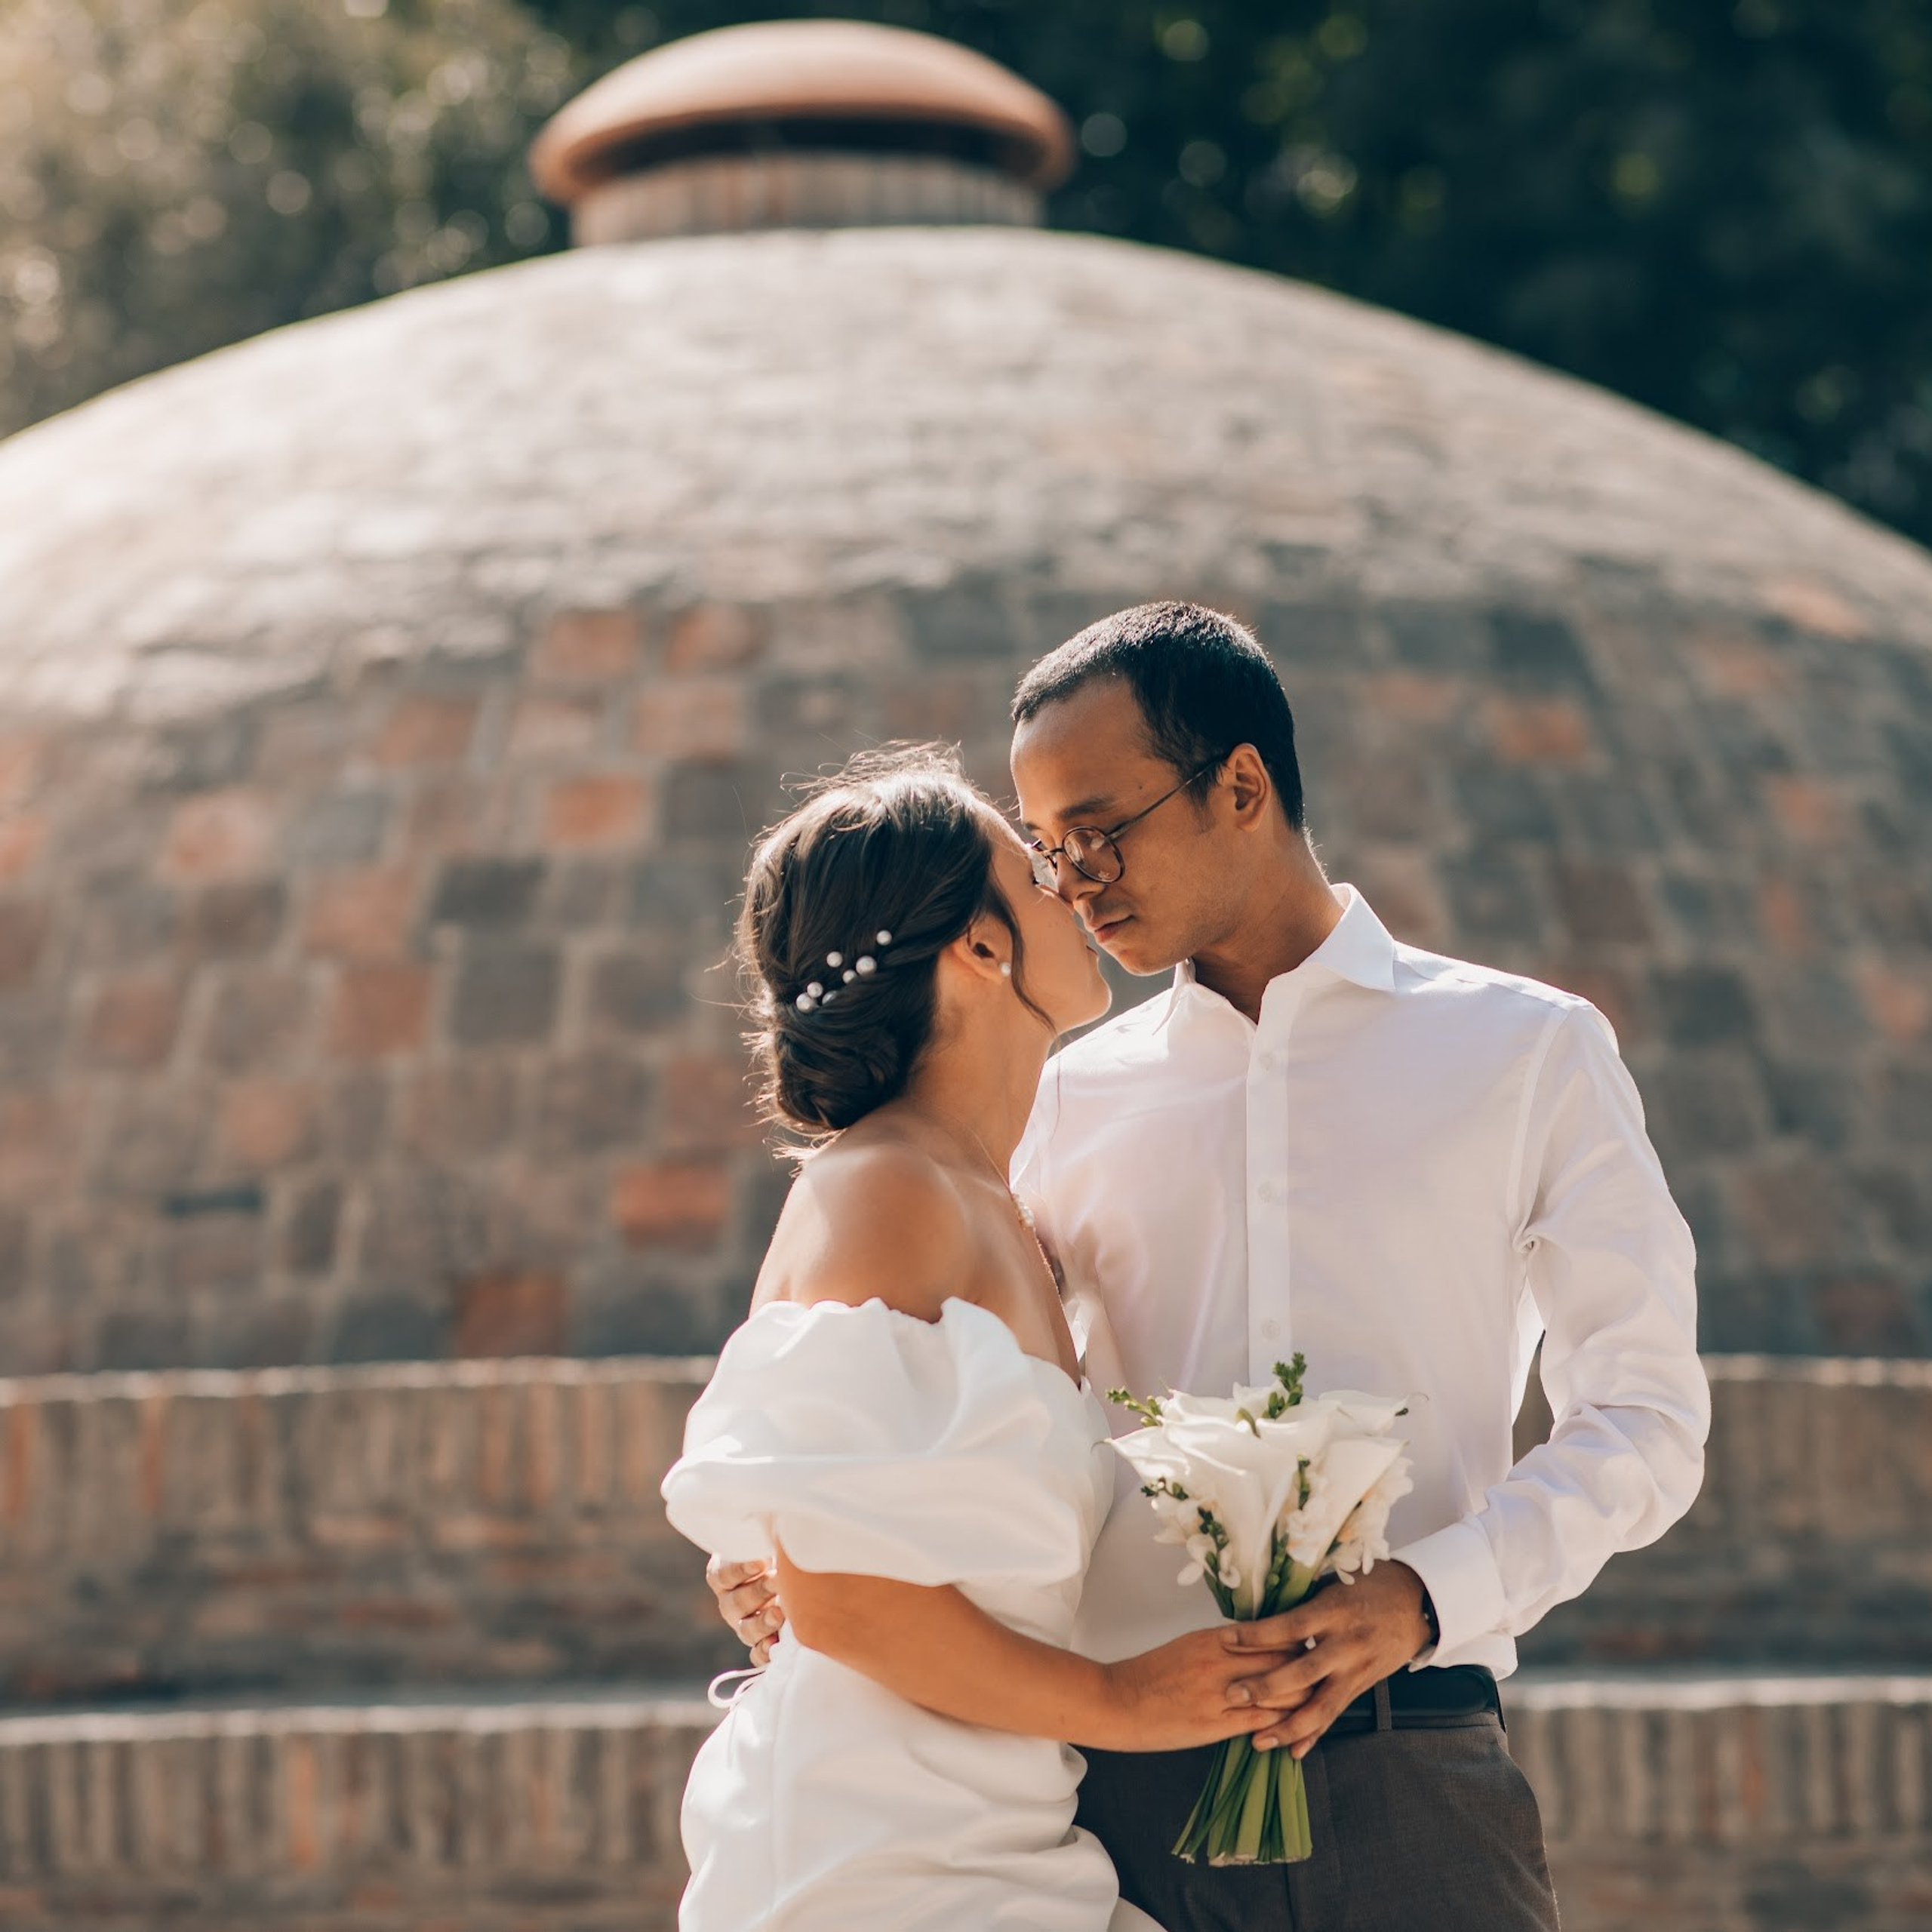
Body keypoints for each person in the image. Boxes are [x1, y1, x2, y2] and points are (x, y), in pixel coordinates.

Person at [711, 602, 1711, 1931]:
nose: (1073, 879)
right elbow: (933, 1387)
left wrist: (1424, 1599)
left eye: (1097, 831)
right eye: (1047, 850)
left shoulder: (1528, 1052)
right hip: (1121, 1803)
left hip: (1414, 1761)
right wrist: (797, 1545)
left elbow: (1647, 1424)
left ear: (1241, 784)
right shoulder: (1060, 1101)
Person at [661, 746, 1300, 1932]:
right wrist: (1123, 1703)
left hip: (997, 1826)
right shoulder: (884, 1192)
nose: (1078, 889)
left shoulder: (1000, 1213)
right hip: (875, 1847)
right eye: (1035, 872)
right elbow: (842, 1594)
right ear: (981, 945)